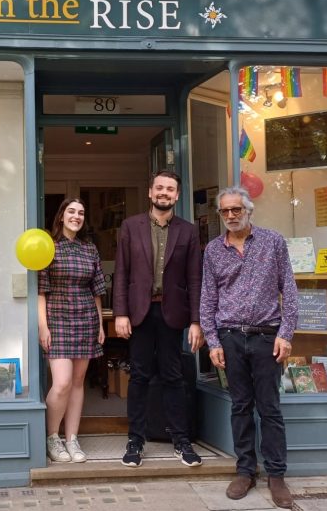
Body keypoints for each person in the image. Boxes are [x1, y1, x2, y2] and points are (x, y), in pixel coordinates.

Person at [199, 186, 298, 510]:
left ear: (248, 211)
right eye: (224, 211)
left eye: (236, 210)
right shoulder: (213, 250)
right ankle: (245, 470)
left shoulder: (273, 242)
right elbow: (208, 300)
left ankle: (276, 475)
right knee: (240, 406)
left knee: (270, 408)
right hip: (230, 337)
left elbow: (290, 292)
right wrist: (213, 342)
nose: (230, 216)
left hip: (267, 337)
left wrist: (286, 334)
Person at [113, 169, 204, 468]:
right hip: (139, 312)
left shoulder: (188, 231)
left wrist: (196, 320)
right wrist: (121, 313)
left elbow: (194, 278)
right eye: (160, 188)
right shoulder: (130, 226)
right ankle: (135, 440)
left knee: (173, 377)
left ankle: (181, 440)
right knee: (138, 376)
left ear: (177, 195)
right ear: (150, 193)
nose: (164, 193)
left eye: (170, 189)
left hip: (173, 313)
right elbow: (122, 273)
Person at [38, 198, 106, 463]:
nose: (76, 216)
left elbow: (97, 291)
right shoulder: (48, 247)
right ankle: (52, 437)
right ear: (61, 216)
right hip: (57, 319)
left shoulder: (89, 249)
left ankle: (72, 439)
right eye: (71, 212)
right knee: (62, 382)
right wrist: (43, 326)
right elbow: (40, 291)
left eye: (81, 212)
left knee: (78, 383)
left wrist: (100, 323)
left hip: (86, 317)